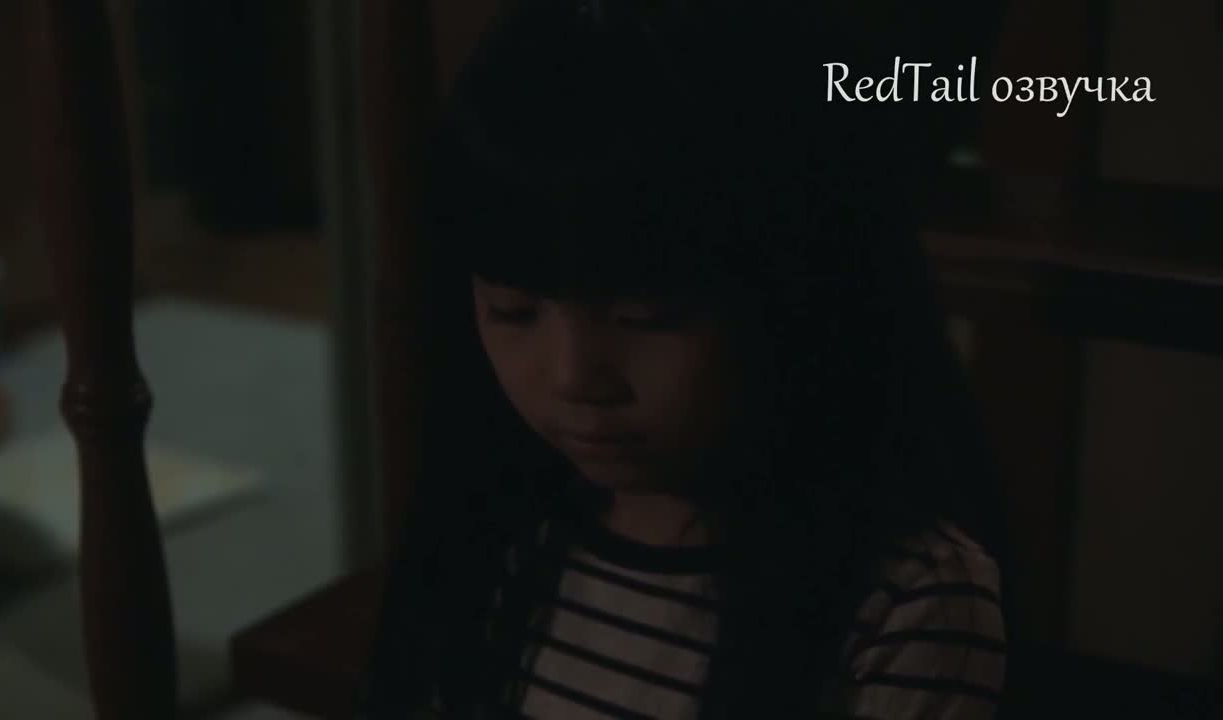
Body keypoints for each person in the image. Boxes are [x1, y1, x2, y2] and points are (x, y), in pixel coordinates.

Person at [361, 1, 1010, 717]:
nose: (575, 377)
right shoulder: (503, 527)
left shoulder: (910, 604)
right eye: (513, 310)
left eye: (648, 317)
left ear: (799, 292)